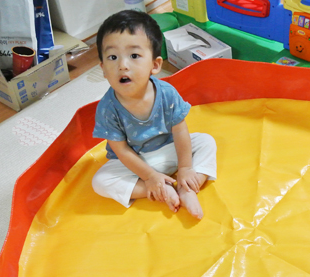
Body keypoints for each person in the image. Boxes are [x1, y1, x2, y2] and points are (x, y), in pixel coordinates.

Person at [91, 10, 217, 220]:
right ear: (103, 69)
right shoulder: (107, 108)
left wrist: (185, 167)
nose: (123, 65)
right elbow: (121, 151)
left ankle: (186, 187)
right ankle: (162, 190)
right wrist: (149, 177)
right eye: (113, 57)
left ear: (155, 65)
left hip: (170, 151)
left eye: (134, 56)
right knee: (100, 181)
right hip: (135, 162)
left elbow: (180, 132)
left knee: (206, 142)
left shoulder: (166, 93)